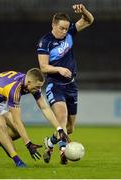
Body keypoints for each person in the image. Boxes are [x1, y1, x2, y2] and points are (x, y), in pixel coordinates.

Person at [37, 4, 94, 164]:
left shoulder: (69, 33)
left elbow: (89, 20)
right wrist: (59, 69)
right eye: (61, 28)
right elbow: (43, 67)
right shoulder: (45, 42)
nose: (64, 31)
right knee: (61, 120)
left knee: (69, 128)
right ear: (53, 25)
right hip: (55, 85)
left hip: (71, 86)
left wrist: (83, 11)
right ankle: (64, 152)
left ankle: (49, 143)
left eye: (66, 28)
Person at [0, 68, 67, 167]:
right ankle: (17, 161)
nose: (38, 90)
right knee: (1, 124)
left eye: (40, 87)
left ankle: (3, 141)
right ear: (28, 82)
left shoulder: (31, 84)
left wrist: (59, 129)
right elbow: (17, 120)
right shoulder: (14, 89)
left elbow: (45, 108)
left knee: (18, 133)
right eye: (37, 87)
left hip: (1, 100)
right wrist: (28, 144)